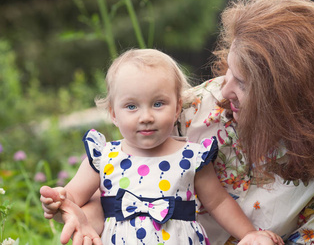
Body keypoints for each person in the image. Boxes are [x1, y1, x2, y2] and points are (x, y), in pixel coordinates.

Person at [45, 0, 314, 245]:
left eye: (242, 83)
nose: (222, 92)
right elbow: (115, 188)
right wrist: (83, 219)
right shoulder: (198, 110)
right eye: (228, 72)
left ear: (287, 100)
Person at [40, 48, 283, 245]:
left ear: (177, 108)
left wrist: (249, 234)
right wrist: (58, 199)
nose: (146, 116)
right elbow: (72, 196)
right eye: (131, 107)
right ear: (113, 113)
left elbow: (218, 202)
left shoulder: (191, 156)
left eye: (158, 104)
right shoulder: (104, 157)